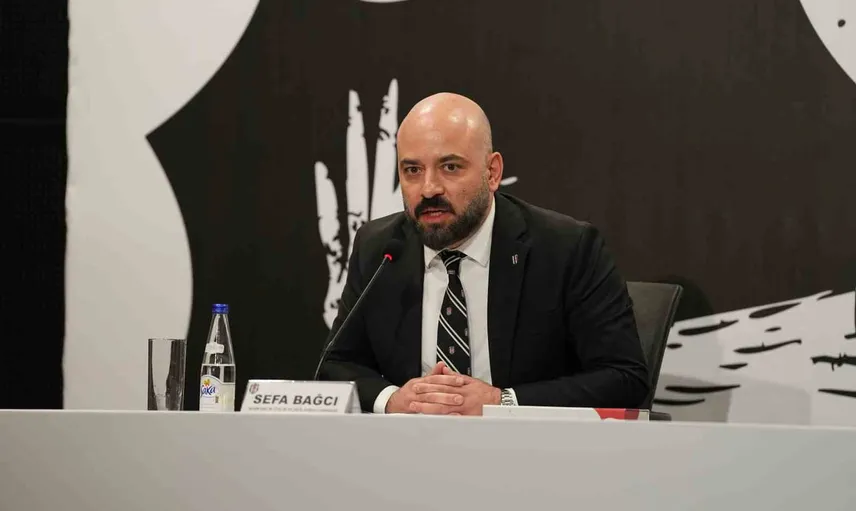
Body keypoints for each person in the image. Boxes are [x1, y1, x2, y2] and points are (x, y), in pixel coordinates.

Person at [318, 92, 649, 415]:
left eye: (450, 167)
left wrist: (502, 403)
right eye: (413, 170)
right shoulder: (379, 248)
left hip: (529, 446)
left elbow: (624, 378)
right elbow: (335, 364)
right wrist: (394, 400)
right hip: (410, 443)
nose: (429, 188)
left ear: (492, 173)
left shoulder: (566, 248)